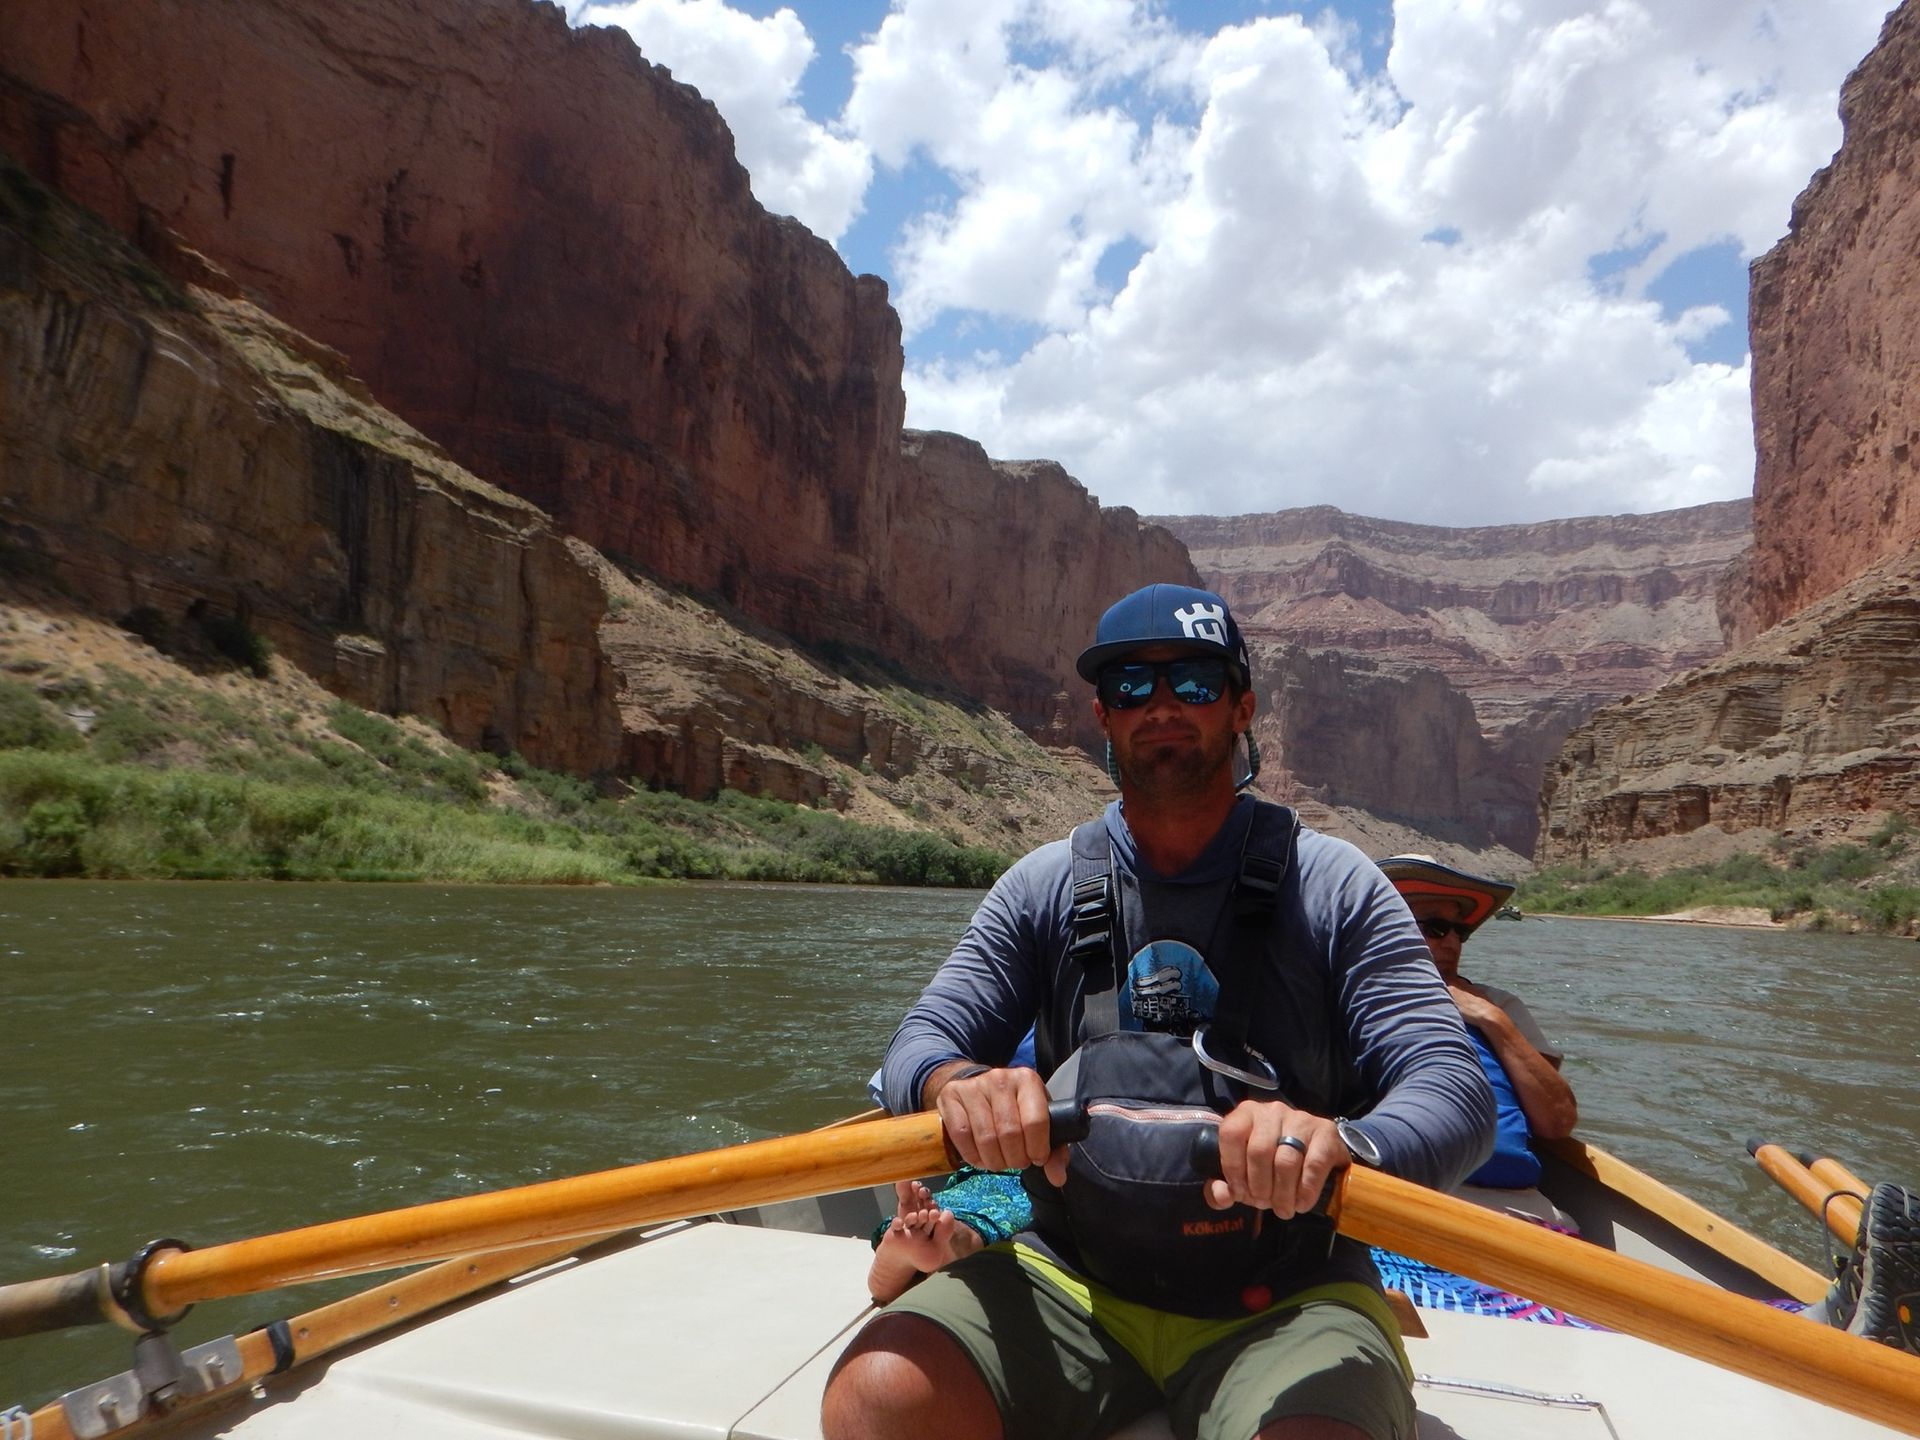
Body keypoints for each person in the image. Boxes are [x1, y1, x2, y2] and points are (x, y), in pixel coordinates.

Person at [822, 582, 1495, 1440]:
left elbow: (1452, 1090)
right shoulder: (1043, 886)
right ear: (1104, 717)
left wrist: (1342, 1144)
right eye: (1133, 687)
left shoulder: (1337, 886)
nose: (1163, 706)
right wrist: (960, 1084)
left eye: (1196, 684)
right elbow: (919, 1045)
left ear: (1242, 707)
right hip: (1073, 1273)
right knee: (878, 1391)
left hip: (1286, 1294)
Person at [1375, 855, 1578, 1226]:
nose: (1453, 941)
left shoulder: (1500, 1005)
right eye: (1436, 928)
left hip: (1513, 1208)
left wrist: (1492, 1020)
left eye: (1460, 931)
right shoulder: (1349, 997)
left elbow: (1558, 1121)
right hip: (1398, 1197)